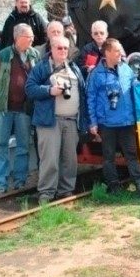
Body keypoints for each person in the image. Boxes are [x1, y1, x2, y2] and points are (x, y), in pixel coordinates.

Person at [87, 38, 140, 198]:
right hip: (107, 123)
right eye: (117, 50)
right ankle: (114, 187)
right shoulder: (96, 74)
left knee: (131, 155)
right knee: (109, 157)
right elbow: (90, 99)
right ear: (107, 53)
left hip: (126, 121)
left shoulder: (126, 69)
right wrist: (93, 122)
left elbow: (136, 87)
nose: (121, 53)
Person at [25, 36, 88, 203]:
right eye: (59, 48)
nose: (63, 51)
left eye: (65, 48)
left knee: (70, 160)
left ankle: (66, 191)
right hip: (49, 121)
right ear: (51, 49)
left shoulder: (73, 68)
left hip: (72, 120)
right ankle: (46, 192)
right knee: (49, 159)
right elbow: (29, 88)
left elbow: (82, 92)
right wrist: (49, 91)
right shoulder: (42, 67)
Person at [0, 24, 40, 192]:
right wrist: (0, 97)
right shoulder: (3, 55)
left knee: (23, 147)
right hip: (4, 109)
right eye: (28, 37)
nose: (32, 39)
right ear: (18, 38)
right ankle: (0, 183)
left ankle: (20, 181)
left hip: (24, 109)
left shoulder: (34, 55)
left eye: (32, 36)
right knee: (1, 146)